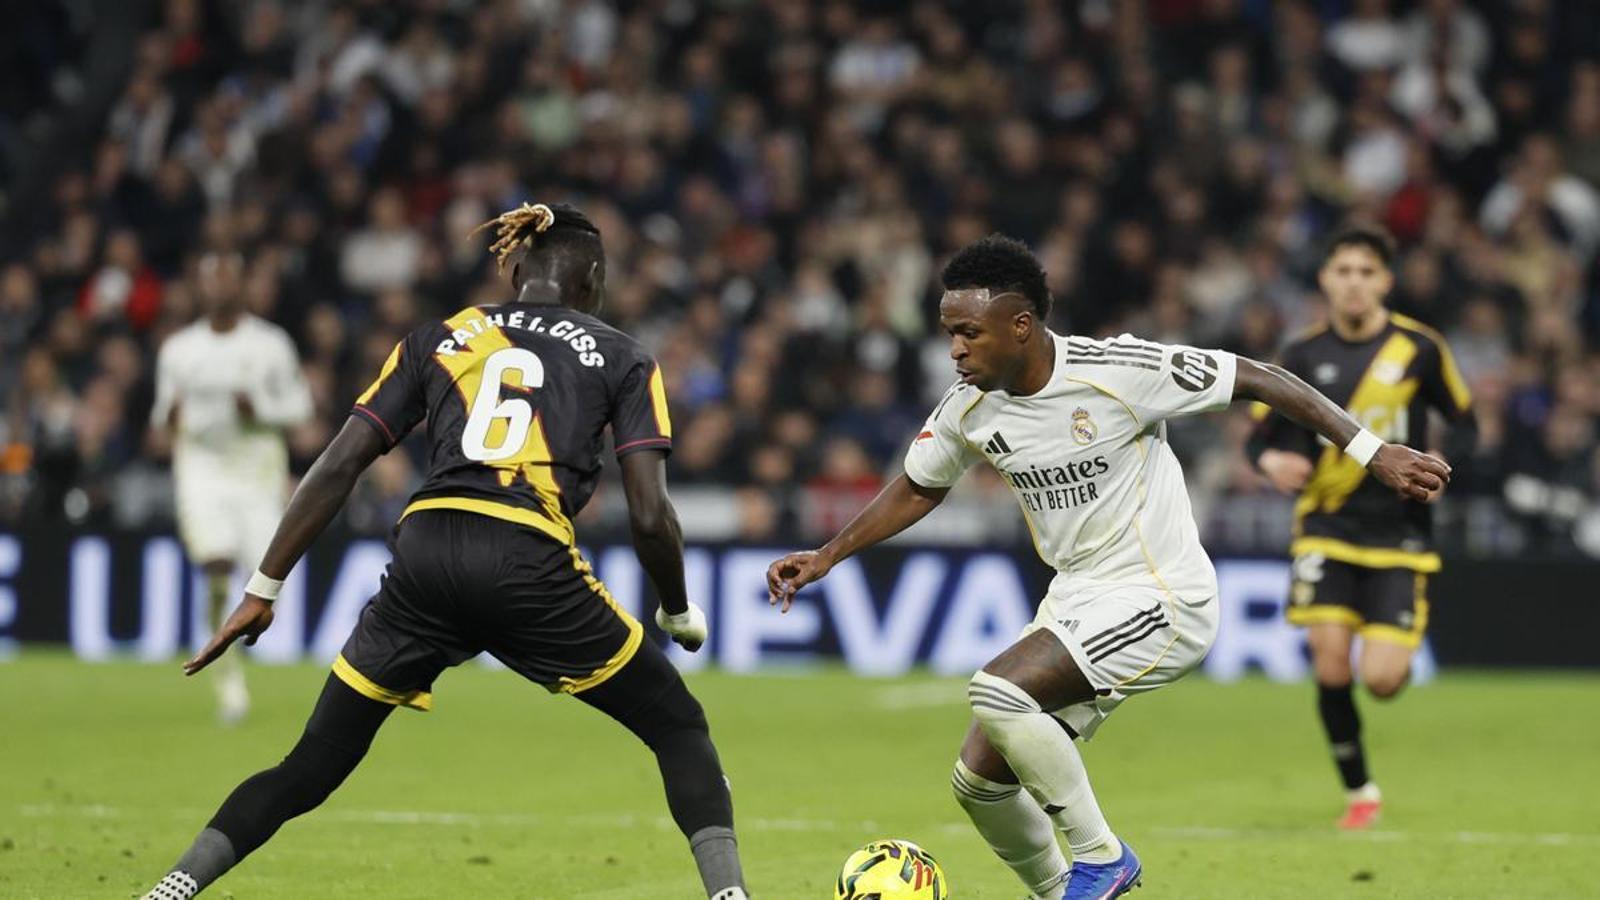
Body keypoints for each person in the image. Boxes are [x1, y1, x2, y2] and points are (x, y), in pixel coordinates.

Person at [766, 234, 1450, 900]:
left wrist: (1372, 452)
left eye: (970, 333)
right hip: (1078, 600)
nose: (955, 350)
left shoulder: (1120, 371)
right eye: (950, 333)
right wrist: (827, 555)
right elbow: (920, 484)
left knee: (999, 691)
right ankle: (1062, 893)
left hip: (1163, 596)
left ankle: (1102, 858)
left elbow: (1259, 378)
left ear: (1022, 325)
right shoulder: (969, 409)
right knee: (978, 781)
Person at [140, 203, 750, 900]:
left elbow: (338, 465)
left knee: (312, 763)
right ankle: (730, 897)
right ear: (592, 278)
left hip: (424, 558)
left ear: (517, 271)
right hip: (527, 559)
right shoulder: (622, 354)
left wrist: (263, 587)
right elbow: (650, 514)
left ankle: (173, 887)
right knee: (677, 724)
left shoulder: (442, 334)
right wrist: (675, 610)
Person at [1247, 223, 1473, 830]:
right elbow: (1260, 439)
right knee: (1329, 664)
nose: (1354, 283)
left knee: (1382, 680)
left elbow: (1466, 421)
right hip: (1325, 523)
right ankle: (1360, 792)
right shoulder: (1298, 355)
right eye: (1343, 271)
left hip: (1400, 531)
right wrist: (1271, 461)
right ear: (1324, 279)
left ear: (1386, 282)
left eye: (1366, 272)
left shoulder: (1419, 349)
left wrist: (1451, 470)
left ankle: (1363, 775)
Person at [149, 251, 312, 724]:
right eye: (211, 280)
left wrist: (259, 410)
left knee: (259, 579)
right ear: (200, 288)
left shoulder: (270, 344)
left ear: (242, 287)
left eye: (228, 281)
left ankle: (243, 658)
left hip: (258, 472)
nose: (219, 289)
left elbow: (300, 408)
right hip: (201, 470)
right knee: (216, 564)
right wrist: (170, 418)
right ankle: (228, 680)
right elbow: (162, 417)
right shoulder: (180, 349)